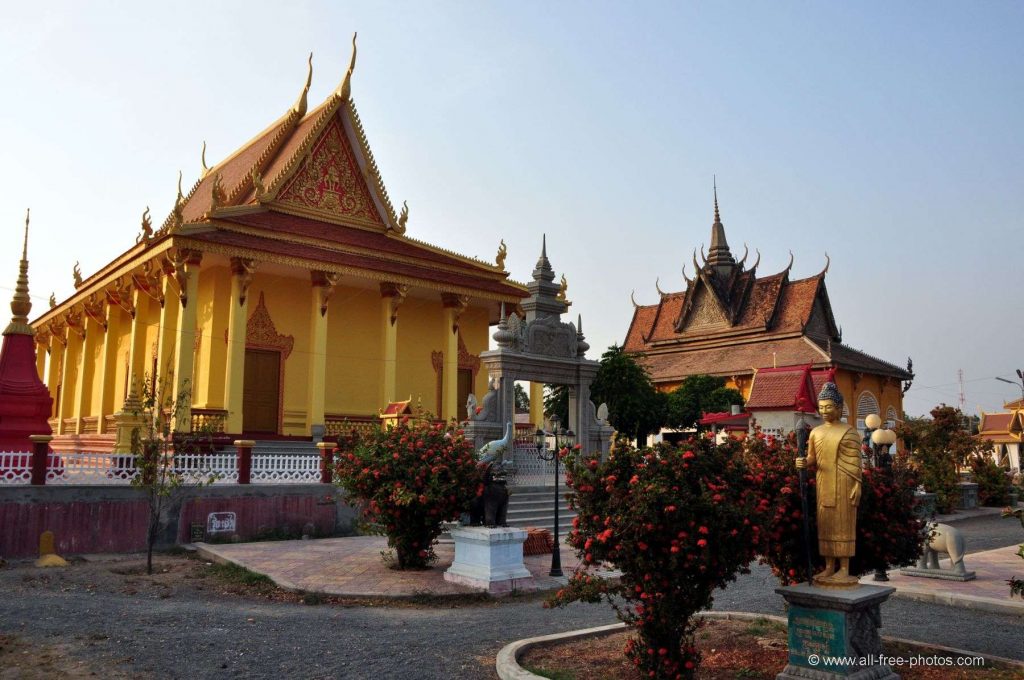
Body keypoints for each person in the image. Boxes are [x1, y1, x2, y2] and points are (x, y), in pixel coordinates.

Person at [796, 382, 862, 586]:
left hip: (844, 482)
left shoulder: (849, 431)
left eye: (829, 407)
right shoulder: (816, 432)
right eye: (822, 407)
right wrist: (803, 462)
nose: (824, 411)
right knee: (826, 524)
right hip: (824, 482)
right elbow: (812, 458)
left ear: (839, 408)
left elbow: (856, 462)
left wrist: (857, 485)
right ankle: (828, 566)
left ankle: (844, 568)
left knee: (843, 523)